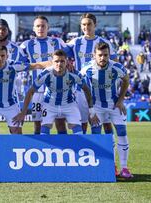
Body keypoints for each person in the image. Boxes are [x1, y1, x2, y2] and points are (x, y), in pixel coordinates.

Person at [13, 50, 98, 135]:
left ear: (66, 62)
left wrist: (91, 110)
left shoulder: (74, 74)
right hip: (49, 105)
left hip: (69, 104)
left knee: (79, 132)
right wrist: (23, 112)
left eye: (62, 61)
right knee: (43, 132)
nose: (59, 64)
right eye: (56, 61)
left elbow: (86, 90)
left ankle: (75, 147)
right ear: (52, 62)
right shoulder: (45, 74)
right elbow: (31, 91)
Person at [80, 42, 133, 178]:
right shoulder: (87, 69)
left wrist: (121, 100)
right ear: (94, 55)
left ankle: (124, 168)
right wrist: (91, 110)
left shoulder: (117, 67)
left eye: (105, 55)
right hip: (96, 107)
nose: (103, 58)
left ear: (109, 55)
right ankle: (106, 166)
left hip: (114, 105)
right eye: (100, 55)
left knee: (121, 132)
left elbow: (126, 81)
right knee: (98, 136)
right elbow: (84, 89)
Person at [66, 13, 117, 134]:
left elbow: (115, 64)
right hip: (80, 90)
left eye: (89, 24)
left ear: (95, 25)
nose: (86, 27)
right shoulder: (75, 42)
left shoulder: (105, 43)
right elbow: (59, 56)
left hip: (100, 91)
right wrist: (68, 61)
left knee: (104, 123)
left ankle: (109, 149)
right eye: (83, 24)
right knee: (82, 123)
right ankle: (84, 149)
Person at [0, 45, 42, 134]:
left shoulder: (13, 66)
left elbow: (36, 65)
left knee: (17, 134)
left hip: (10, 106)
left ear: (7, 56)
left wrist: (54, 63)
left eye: (2, 56)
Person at [20, 15, 69, 134]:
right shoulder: (26, 45)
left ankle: (63, 150)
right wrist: (41, 65)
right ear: (33, 28)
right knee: (38, 125)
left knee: (60, 124)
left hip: (57, 90)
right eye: (38, 26)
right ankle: (40, 149)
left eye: (43, 26)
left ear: (48, 27)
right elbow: (20, 64)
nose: (40, 28)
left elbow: (70, 55)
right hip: (38, 91)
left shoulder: (57, 42)